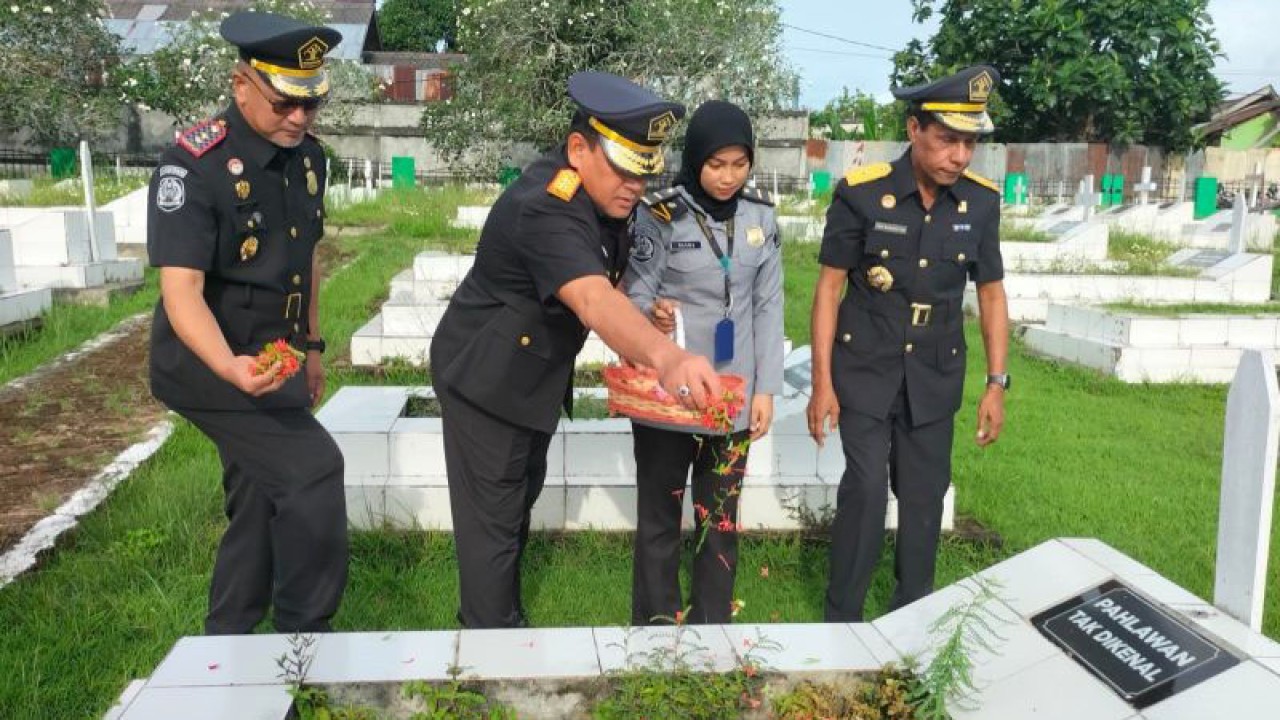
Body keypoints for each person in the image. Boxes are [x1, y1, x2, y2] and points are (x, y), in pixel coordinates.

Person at [429, 71, 724, 629]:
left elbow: (606, 286)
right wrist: (667, 357)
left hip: (530, 379)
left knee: (514, 510)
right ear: (577, 149)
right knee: (491, 527)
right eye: (622, 168)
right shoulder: (546, 204)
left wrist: (644, 322)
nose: (634, 186)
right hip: (486, 381)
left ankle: (497, 619)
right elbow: (589, 298)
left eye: (645, 171)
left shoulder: (605, 199)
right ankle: (488, 653)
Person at [146, 10, 347, 635]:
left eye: (311, 106)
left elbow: (307, 255)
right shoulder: (194, 166)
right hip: (211, 362)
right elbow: (182, 292)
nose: (299, 119)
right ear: (242, 86)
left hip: (275, 357)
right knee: (314, 472)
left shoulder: (309, 160)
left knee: (261, 498)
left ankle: (228, 644)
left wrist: (311, 346)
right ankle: (303, 641)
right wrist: (230, 367)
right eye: (284, 103)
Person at [806, 65, 1011, 622]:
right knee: (868, 491)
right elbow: (828, 290)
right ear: (914, 129)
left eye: (969, 143)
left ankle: (910, 622)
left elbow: (991, 295)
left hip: (935, 376)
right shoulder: (861, 195)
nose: (960, 156)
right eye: (948, 139)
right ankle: (841, 620)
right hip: (865, 369)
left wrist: (997, 383)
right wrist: (821, 383)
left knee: (923, 502)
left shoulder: (980, 204)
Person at [623, 101, 783, 625]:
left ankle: (714, 628)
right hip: (669, 394)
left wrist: (765, 391)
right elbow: (634, 295)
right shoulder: (661, 215)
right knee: (661, 515)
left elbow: (767, 306)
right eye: (717, 164)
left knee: (720, 518)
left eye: (740, 165)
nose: (728, 177)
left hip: (732, 396)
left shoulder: (761, 218)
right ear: (695, 160)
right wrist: (655, 314)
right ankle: (656, 625)